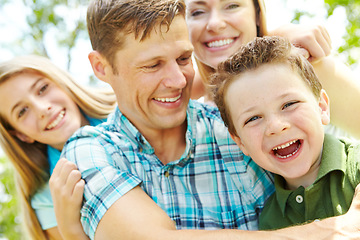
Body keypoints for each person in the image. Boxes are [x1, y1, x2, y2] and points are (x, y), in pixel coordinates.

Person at [49, 0, 360, 239]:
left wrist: (278, 37)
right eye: (153, 65)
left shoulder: (238, 127)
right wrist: (334, 230)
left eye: (184, 59)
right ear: (101, 67)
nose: (177, 80)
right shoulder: (90, 152)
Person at [211, 35, 360, 231]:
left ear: (321, 107)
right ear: (240, 142)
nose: (275, 126)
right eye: (253, 118)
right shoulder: (269, 222)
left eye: (289, 104)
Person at [185, 0, 360, 139]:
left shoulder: (309, 68)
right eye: (197, 12)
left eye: (232, 5)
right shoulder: (193, 107)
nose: (214, 24)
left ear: (257, 15)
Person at [0, 55, 116, 240]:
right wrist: (70, 229)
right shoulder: (47, 199)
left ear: (61, 83)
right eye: (22, 111)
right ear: (21, 135)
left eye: (42, 89)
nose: (42, 109)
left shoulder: (127, 110)